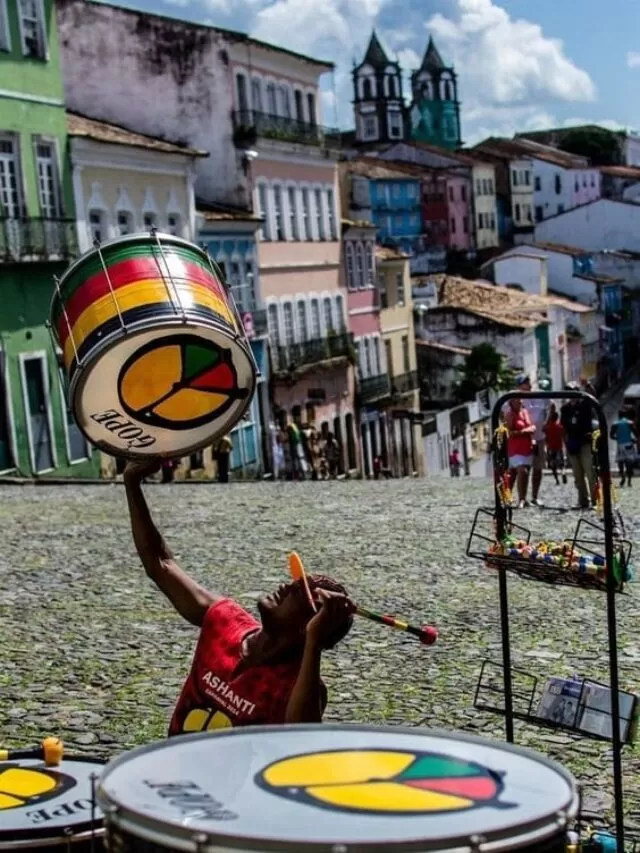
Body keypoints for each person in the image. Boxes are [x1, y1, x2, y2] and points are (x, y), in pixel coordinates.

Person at [123, 458, 355, 733]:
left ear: (310, 626)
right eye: (296, 580)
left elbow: (300, 739)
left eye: (302, 593)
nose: (288, 586)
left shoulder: (301, 687)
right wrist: (132, 483)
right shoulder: (224, 620)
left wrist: (314, 643)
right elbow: (161, 564)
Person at [560, 383, 597, 509]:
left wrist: (587, 385)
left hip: (585, 443)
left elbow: (593, 397)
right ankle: (583, 500)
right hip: (573, 444)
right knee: (577, 476)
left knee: (590, 472)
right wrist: (566, 445)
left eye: (573, 391)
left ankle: (595, 500)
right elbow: (564, 428)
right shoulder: (565, 409)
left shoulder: (585, 405)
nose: (571, 395)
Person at [516, 374, 548, 506]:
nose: (527, 384)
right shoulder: (516, 398)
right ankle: (522, 498)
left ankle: (535, 496)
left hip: (539, 437)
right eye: (524, 382)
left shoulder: (540, 394)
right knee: (523, 470)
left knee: (538, 468)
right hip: (525, 439)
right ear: (519, 386)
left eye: (528, 381)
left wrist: (548, 422)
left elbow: (551, 406)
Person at [504, 396, 535, 509]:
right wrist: (525, 431)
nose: (519, 401)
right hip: (515, 448)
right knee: (521, 471)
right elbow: (510, 432)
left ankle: (521, 498)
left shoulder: (524, 412)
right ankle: (517, 499)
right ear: (511, 402)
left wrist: (526, 430)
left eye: (520, 399)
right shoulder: (510, 414)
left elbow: (532, 426)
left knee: (518, 474)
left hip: (527, 448)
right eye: (516, 399)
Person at [610, 409, 637, 487]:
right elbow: (635, 434)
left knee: (620, 463)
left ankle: (622, 478)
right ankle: (629, 481)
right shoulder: (630, 423)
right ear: (626, 416)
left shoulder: (615, 424)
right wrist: (633, 440)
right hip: (628, 445)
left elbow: (611, 436)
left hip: (620, 446)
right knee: (629, 463)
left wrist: (617, 438)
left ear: (618, 415)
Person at [543, 410, 567, 485]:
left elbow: (543, 431)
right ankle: (563, 473)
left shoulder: (548, 428)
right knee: (562, 464)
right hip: (559, 447)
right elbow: (564, 436)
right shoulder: (560, 427)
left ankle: (557, 479)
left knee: (553, 465)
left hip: (551, 448)